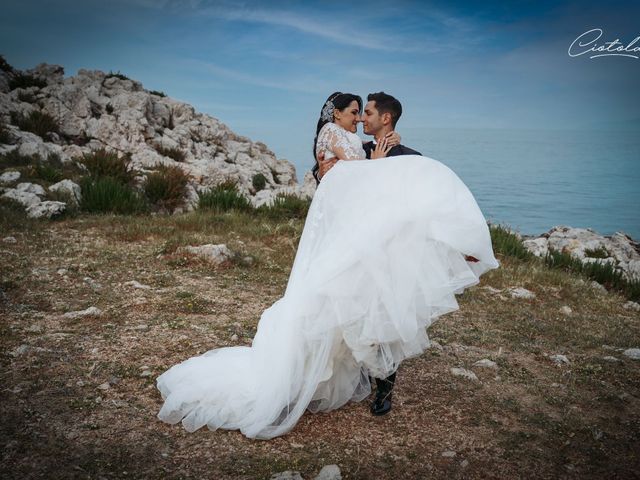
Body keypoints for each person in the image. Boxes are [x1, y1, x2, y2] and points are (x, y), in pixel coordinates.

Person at [156, 91, 500, 440]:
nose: (363, 118)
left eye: (368, 113)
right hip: (353, 248)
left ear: (387, 119)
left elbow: (428, 208)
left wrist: (461, 246)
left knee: (384, 316)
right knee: (348, 311)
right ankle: (334, 373)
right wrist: (323, 170)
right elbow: (333, 178)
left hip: (387, 253)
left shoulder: (408, 157)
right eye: (359, 112)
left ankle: (385, 387)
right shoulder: (363, 151)